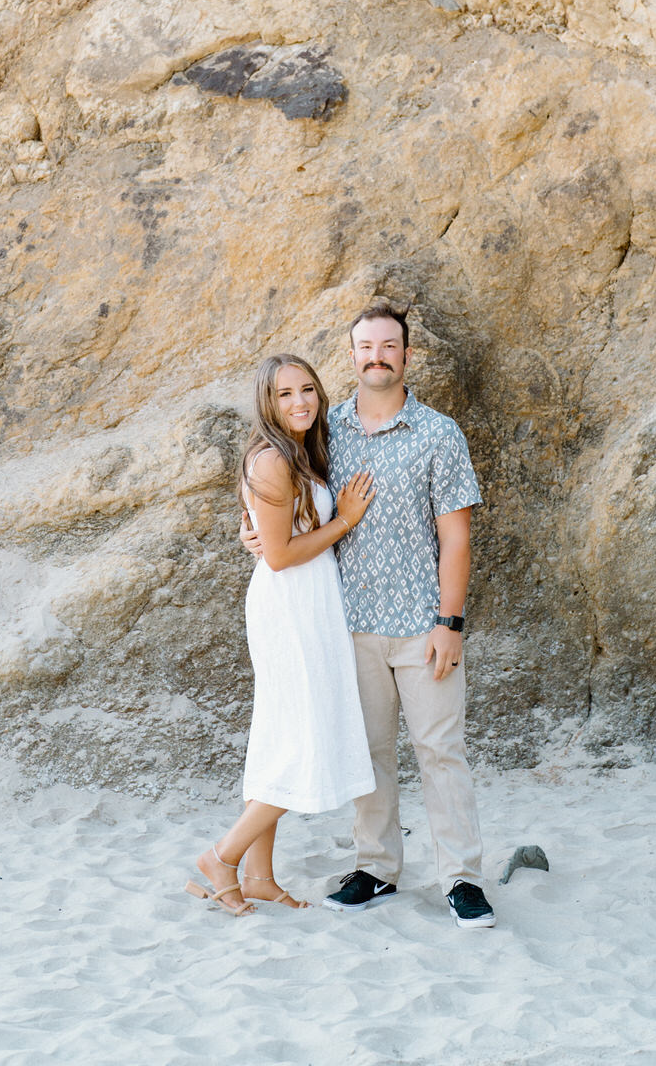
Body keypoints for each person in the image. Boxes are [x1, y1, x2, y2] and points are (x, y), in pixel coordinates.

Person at [241, 305, 496, 929]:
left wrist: (450, 622)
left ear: (407, 356)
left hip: (421, 623)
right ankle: (377, 868)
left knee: (441, 751)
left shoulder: (440, 433)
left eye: (389, 345)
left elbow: (457, 539)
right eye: (365, 346)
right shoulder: (325, 431)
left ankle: (460, 877)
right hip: (346, 625)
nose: (376, 355)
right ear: (351, 356)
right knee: (370, 753)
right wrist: (249, 530)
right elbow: (275, 483)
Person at [186, 354, 377, 915]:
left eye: (308, 390)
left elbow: (273, 539)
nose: (300, 402)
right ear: (266, 404)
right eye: (286, 394)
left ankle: (261, 875)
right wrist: (344, 520)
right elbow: (279, 556)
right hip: (291, 612)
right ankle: (222, 856)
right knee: (301, 741)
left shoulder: (300, 454)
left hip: (309, 605)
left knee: (278, 738)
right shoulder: (272, 460)